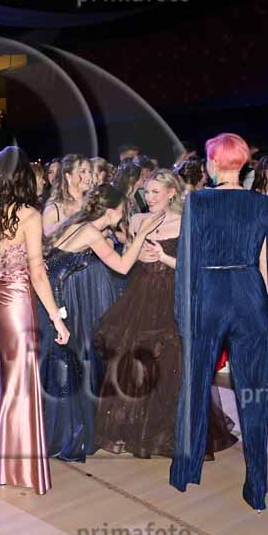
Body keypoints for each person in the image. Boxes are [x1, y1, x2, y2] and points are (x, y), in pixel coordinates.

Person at [170, 133, 268, 512]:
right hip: (249, 295)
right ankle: (257, 488)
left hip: (208, 295)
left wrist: (183, 315)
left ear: (213, 163)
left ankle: (185, 470)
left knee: (194, 384)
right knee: (254, 394)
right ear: (242, 163)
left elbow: (187, 263)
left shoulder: (197, 201)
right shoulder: (262, 203)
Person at [95, 170, 237, 459]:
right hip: (142, 294)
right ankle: (135, 430)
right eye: (147, 192)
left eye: (155, 192)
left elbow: (196, 267)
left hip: (175, 295)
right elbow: (128, 257)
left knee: (174, 363)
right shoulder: (137, 220)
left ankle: (173, 431)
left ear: (171, 193)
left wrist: (163, 257)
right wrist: (140, 256)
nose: (149, 197)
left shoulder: (186, 221)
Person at [0, 146, 69, 494]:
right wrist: (57, 318)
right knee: (20, 385)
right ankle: (18, 469)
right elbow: (38, 274)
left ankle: (3, 464)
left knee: (6, 382)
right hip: (16, 301)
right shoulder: (29, 214)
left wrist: (3, 259)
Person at [37, 184, 153, 461]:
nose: (123, 215)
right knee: (72, 364)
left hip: (57, 298)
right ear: (112, 211)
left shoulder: (77, 223)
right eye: (122, 210)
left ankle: (61, 431)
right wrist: (142, 235)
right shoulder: (90, 231)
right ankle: (68, 435)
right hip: (63, 303)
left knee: (68, 365)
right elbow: (122, 266)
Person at [42, 154, 90, 236]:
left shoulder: (93, 203)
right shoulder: (54, 208)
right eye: (83, 172)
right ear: (68, 176)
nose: (89, 176)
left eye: (90, 172)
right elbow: (46, 239)